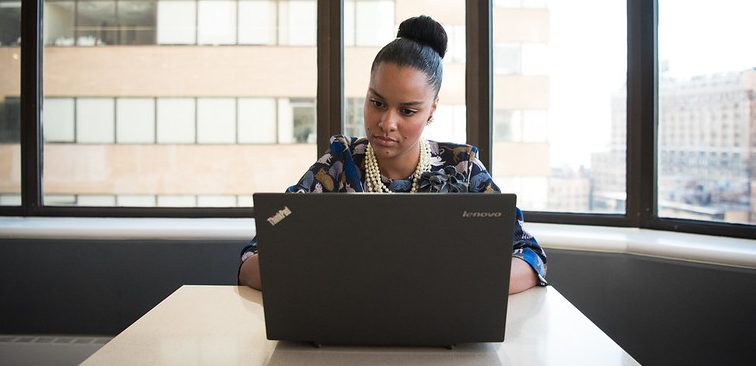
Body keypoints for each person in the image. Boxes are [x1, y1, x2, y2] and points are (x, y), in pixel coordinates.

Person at [238, 15, 547, 294]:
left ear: (432, 109)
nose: (387, 123)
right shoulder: (338, 164)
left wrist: (457, 281)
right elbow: (253, 258)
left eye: (408, 111)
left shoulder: (462, 169)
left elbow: (530, 256)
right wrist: (330, 276)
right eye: (377, 103)